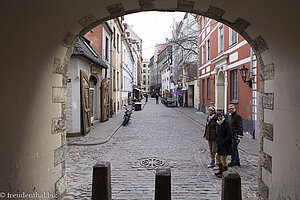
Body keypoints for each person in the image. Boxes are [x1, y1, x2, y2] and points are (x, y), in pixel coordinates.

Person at [214, 111, 232, 178]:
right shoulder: (218, 124)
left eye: (221, 116)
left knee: (223, 158)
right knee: (217, 157)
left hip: (225, 144)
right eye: (218, 116)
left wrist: (224, 142)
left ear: (223, 116)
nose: (220, 118)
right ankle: (220, 170)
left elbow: (229, 135)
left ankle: (225, 172)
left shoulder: (227, 124)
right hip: (219, 143)